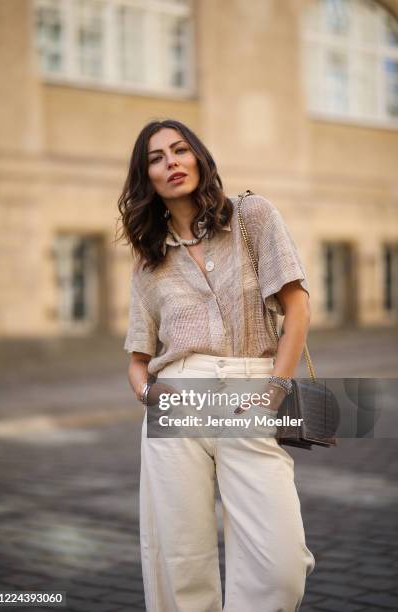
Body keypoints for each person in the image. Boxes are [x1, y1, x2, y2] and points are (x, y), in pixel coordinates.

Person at [117, 118, 316, 612]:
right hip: (176, 401)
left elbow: (298, 308)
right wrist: (147, 394)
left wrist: (275, 389)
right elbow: (138, 358)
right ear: (148, 179)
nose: (172, 163)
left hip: (251, 393)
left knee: (280, 565)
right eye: (157, 159)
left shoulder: (252, 215)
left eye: (180, 150)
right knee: (180, 562)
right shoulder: (148, 260)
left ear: (200, 158)